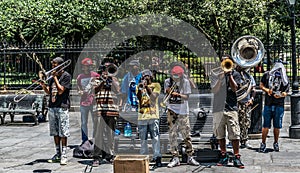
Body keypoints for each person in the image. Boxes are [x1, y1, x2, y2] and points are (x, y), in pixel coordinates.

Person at [164, 64, 199, 168]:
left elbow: (187, 97)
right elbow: (166, 92)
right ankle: (175, 157)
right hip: (171, 110)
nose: (175, 77)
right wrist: (169, 91)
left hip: (183, 112)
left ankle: (190, 156)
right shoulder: (167, 82)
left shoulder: (186, 82)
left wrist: (177, 94)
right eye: (174, 75)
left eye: (177, 76)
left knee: (186, 134)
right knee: (172, 134)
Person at [212, 55, 244, 168]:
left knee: (235, 134)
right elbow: (214, 90)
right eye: (222, 61)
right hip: (218, 108)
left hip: (231, 108)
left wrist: (229, 75)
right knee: (220, 134)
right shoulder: (216, 74)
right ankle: (223, 154)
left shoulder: (236, 74)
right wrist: (220, 78)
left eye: (226, 61)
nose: (224, 63)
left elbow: (235, 88)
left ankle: (236, 157)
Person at [40, 57, 72, 165]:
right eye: (52, 65)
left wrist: (55, 78)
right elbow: (49, 92)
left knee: (63, 131)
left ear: (60, 66)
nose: (53, 67)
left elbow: (61, 91)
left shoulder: (66, 76)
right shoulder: (51, 77)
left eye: (55, 65)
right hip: (52, 106)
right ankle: (57, 153)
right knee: (55, 131)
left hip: (62, 106)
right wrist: (44, 85)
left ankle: (64, 155)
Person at [92, 62, 120, 167]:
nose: (106, 72)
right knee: (98, 135)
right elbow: (94, 90)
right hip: (99, 110)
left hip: (112, 110)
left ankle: (110, 155)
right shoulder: (95, 80)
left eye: (108, 69)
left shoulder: (115, 80)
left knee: (110, 135)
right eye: (105, 69)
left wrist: (111, 78)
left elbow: (118, 90)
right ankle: (96, 157)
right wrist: (103, 81)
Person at [259, 62, 289, 153]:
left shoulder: (284, 78)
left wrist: (281, 95)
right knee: (266, 126)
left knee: (277, 126)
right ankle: (263, 143)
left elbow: (286, 92)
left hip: (279, 104)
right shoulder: (267, 75)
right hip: (268, 104)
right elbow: (261, 85)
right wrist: (267, 90)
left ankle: (276, 142)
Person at [136, 69, 162, 167]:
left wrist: (146, 87)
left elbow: (153, 97)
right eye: (143, 77)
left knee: (155, 137)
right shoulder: (139, 86)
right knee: (143, 139)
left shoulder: (156, 85)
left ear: (151, 77)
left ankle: (157, 157)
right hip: (142, 116)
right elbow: (139, 98)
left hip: (153, 115)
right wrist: (140, 88)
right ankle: (143, 157)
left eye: (146, 77)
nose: (144, 79)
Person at [76, 58, 100, 144]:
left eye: (89, 66)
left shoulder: (95, 75)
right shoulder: (80, 77)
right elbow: (78, 87)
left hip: (93, 101)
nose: (88, 68)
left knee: (95, 122)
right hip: (83, 102)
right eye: (86, 66)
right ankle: (84, 140)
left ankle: (95, 139)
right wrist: (80, 92)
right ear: (83, 67)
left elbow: (99, 85)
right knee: (83, 122)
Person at [235, 65, 256, 149]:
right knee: (235, 122)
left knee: (245, 121)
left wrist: (252, 99)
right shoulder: (234, 75)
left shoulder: (249, 77)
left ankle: (244, 140)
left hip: (246, 102)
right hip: (235, 102)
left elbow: (253, 89)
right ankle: (234, 140)